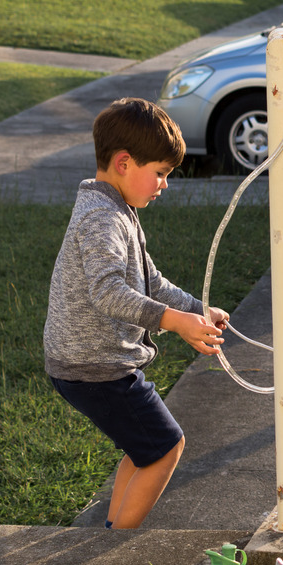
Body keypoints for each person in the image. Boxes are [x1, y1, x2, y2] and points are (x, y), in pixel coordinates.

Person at [44, 97, 229, 529]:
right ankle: (114, 547)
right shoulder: (102, 218)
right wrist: (175, 321)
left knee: (145, 448)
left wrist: (197, 309)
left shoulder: (114, 207)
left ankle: (109, 534)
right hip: (94, 367)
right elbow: (107, 292)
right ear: (124, 163)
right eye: (160, 173)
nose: (164, 184)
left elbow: (151, 282)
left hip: (91, 362)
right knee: (166, 447)